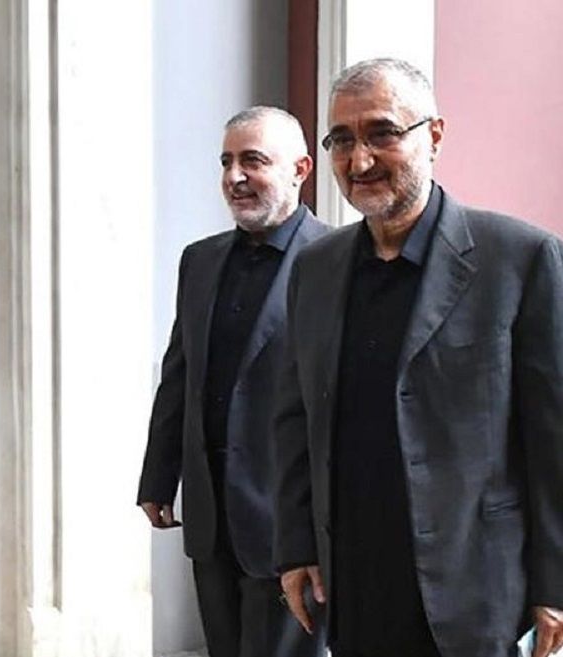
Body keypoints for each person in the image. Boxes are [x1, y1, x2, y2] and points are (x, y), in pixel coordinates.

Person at [273, 57, 563, 657]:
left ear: (433, 135)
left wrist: (555, 585)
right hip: (354, 584)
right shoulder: (315, 269)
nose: (360, 161)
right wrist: (296, 546)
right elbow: (296, 418)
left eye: (382, 133)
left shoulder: (520, 258)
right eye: (341, 140)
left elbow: (554, 440)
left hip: (476, 590)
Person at [138, 106, 329, 657]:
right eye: (226, 162)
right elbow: (180, 374)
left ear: (300, 169)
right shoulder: (199, 261)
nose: (234, 176)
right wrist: (158, 476)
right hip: (211, 513)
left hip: (292, 519)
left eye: (253, 161)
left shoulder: (336, 259)